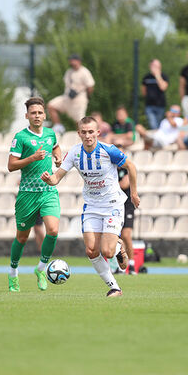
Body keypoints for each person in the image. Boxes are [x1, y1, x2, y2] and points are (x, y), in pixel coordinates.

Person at [41, 116, 140, 297]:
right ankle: (114, 287)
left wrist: (133, 193)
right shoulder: (74, 153)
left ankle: (118, 247)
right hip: (91, 206)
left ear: (97, 133)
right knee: (91, 250)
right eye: (84, 132)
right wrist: (50, 179)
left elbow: (131, 167)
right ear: (79, 133)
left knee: (107, 252)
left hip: (112, 204)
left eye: (91, 132)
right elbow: (57, 177)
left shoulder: (108, 150)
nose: (87, 136)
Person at [7, 97, 63, 292]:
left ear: (44, 115)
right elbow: (11, 165)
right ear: (27, 116)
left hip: (48, 191)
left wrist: (57, 157)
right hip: (27, 194)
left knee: (53, 231)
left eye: (40, 112)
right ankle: (13, 273)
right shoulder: (21, 137)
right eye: (33, 113)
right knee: (22, 238)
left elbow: (55, 146)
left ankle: (41, 269)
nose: (37, 116)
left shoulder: (50, 134)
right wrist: (31, 158)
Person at [47, 54, 95, 135]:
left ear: (78, 61)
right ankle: (58, 127)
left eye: (73, 60)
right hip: (67, 97)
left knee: (79, 122)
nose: (71, 62)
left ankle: (82, 138)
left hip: (79, 99)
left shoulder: (84, 72)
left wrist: (87, 97)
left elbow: (90, 87)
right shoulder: (69, 71)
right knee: (51, 106)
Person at [116, 166, 137, 274]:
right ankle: (121, 265)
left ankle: (132, 264)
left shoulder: (126, 169)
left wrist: (109, 185)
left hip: (127, 207)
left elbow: (124, 184)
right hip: (115, 206)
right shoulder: (112, 168)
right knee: (117, 237)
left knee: (126, 235)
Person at [141, 59, 169, 129]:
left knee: (159, 124)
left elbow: (163, 87)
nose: (157, 68)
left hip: (160, 105)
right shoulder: (146, 77)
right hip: (149, 105)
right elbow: (143, 91)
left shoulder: (163, 76)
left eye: (158, 66)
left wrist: (157, 76)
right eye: (155, 66)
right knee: (153, 124)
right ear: (150, 66)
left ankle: (158, 139)